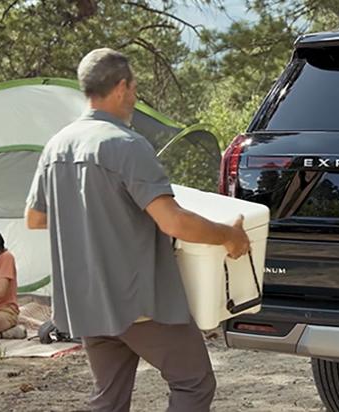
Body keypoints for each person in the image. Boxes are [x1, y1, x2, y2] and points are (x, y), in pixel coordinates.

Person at [25, 48, 250, 412]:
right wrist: (229, 235)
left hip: (86, 300)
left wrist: (91, 215)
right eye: (134, 88)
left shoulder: (56, 147)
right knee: (193, 383)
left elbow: (35, 218)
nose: (134, 96)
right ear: (120, 87)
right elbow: (172, 221)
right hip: (138, 301)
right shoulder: (128, 145)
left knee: (109, 399)